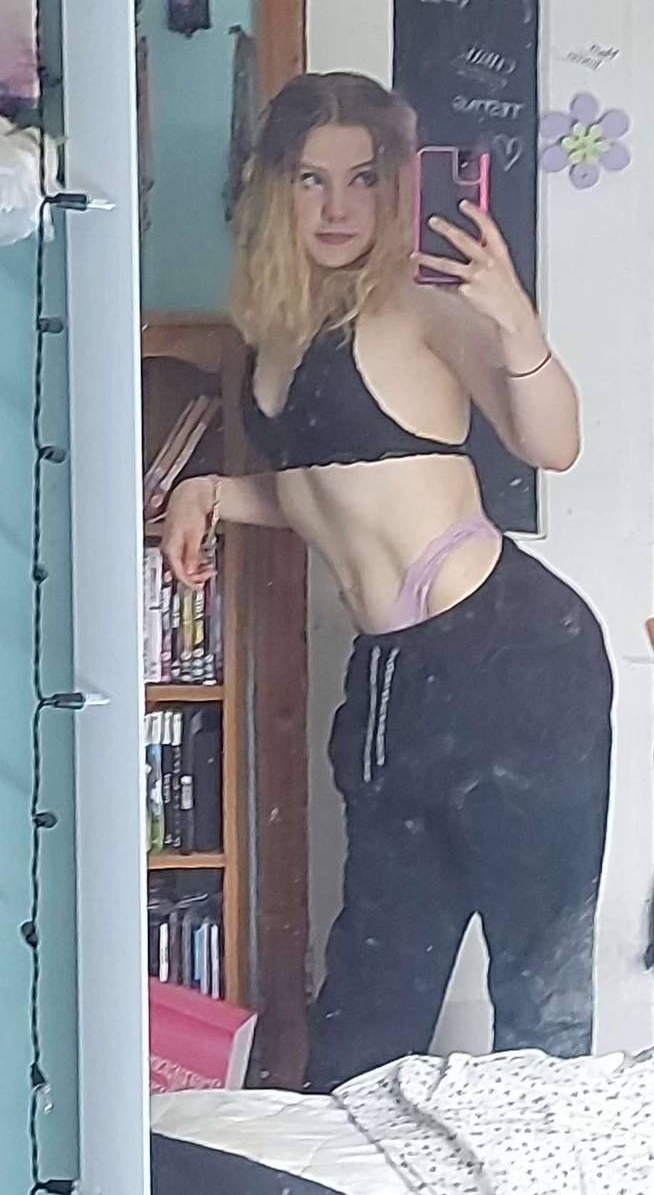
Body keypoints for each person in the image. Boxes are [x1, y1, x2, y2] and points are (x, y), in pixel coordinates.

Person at [161, 73, 613, 1092]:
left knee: (539, 1002)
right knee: (364, 1015)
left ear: (397, 186)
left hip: (512, 662)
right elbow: (332, 487)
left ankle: (550, 1164)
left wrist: (517, 324)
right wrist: (214, 491)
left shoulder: (420, 305)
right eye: (311, 179)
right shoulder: (276, 329)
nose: (337, 206)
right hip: (393, 688)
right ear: (274, 189)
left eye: (363, 179)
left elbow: (554, 443)